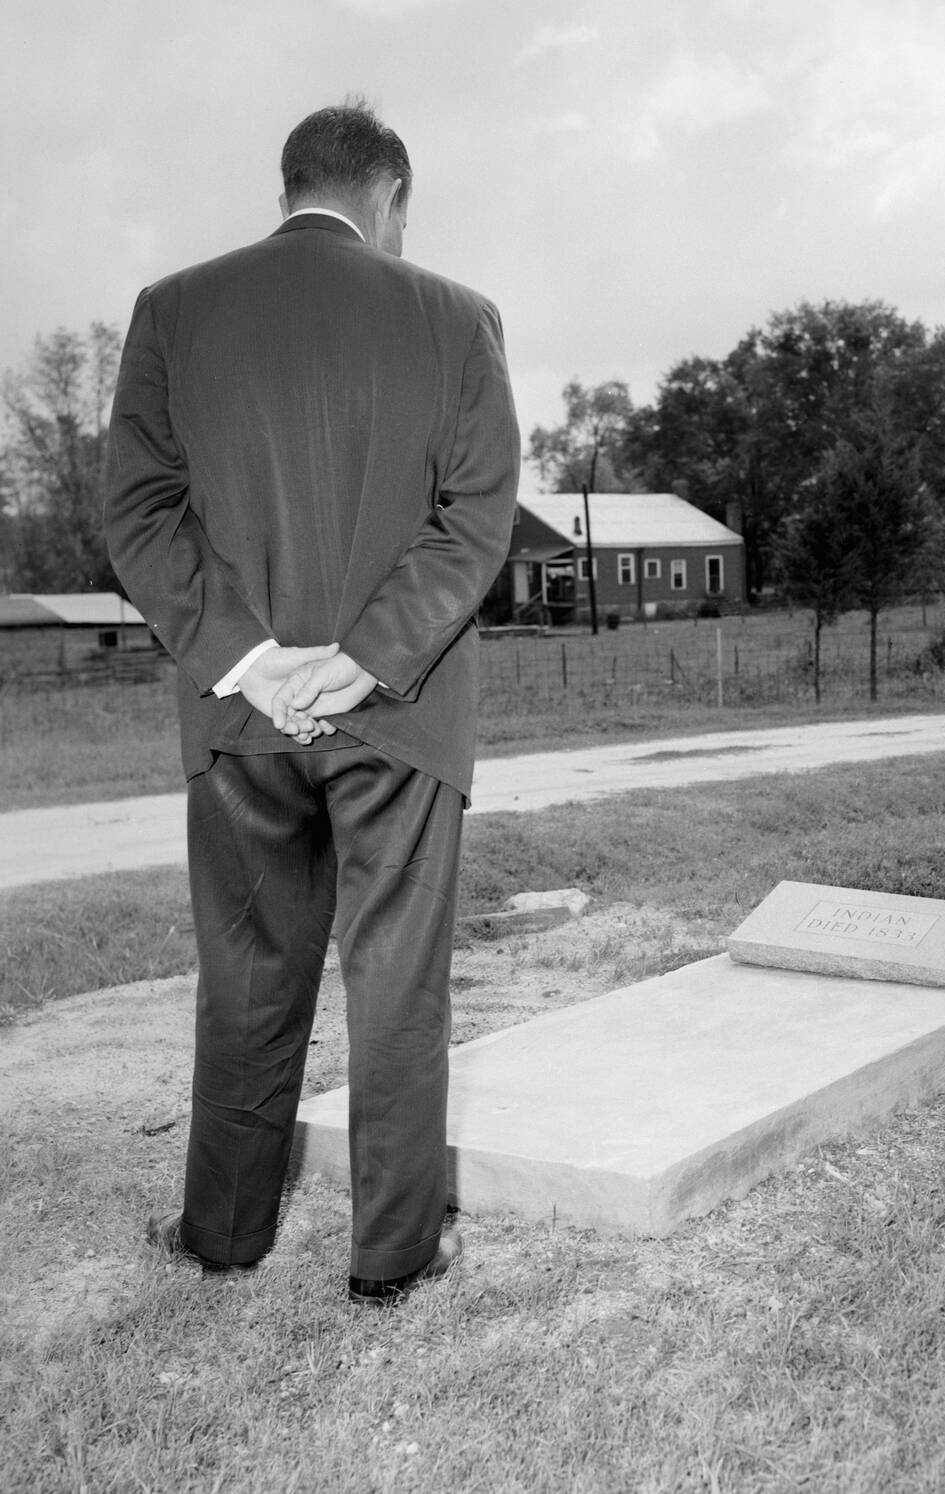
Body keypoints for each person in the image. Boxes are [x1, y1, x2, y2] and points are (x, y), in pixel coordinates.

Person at [104, 101, 520, 1305]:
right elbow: (474, 518)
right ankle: (392, 1258)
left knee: (245, 970)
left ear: (287, 188)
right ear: (390, 196)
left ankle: (223, 1230)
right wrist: (366, 657)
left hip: (240, 721)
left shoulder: (172, 310)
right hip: (402, 712)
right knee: (396, 980)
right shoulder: (458, 318)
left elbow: (138, 512)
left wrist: (250, 658)